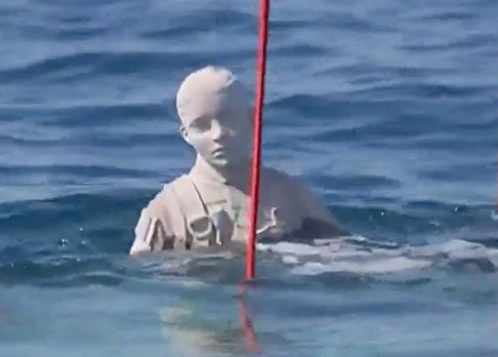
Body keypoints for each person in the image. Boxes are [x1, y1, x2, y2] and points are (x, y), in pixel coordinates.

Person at [129, 65, 341, 255]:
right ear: (185, 134)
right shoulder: (169, 209)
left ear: (252, 119)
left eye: (228, 119)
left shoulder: (290, 194)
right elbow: (139, 281)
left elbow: (342, 252)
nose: (217, 134)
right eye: (201, 126)